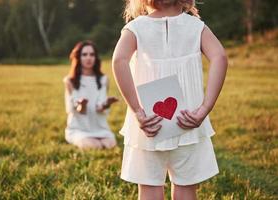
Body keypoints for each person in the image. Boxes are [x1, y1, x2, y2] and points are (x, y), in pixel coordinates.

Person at [112, 0, 228, 199]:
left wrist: (138, 111)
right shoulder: (196, 27)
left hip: (150, 120)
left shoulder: (135, 28)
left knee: (150, 188)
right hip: (188, 118)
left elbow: (119, 61)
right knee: (185, 187)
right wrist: (204, 108)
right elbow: (220, 57)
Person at [63, 41, 118, 150]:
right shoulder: (70, 81)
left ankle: (98, 138)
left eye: (92, 54)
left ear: (96, 58)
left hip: (100, 128)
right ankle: (84, 139)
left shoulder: (103, 79)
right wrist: (82, 105)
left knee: (110, 144)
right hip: (79, 129)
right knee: (94, 146)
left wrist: (107, 104)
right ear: (78, 57)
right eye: (84, 54)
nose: (89, 58)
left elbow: (100, 108)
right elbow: (77, 110)